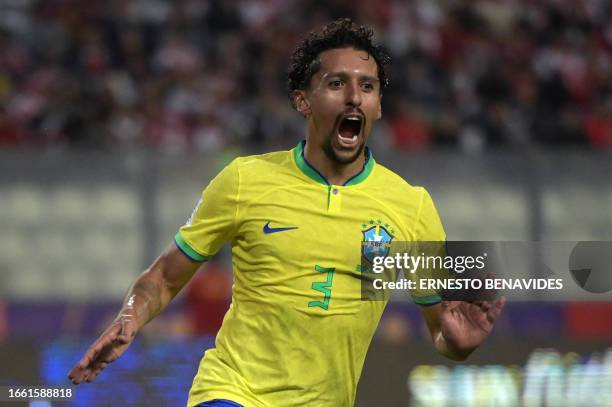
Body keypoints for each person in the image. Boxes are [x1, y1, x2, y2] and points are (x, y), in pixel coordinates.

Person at [68, 18, 505, 407]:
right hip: (233, 391)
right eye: (337, 84)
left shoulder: (411, 206)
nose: (354, 97)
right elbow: (164, 277)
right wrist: (130, 315)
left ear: (378, 106)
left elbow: (441, 329)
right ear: (303, 101)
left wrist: (458, 342)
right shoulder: (245, 180)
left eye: (367, 87)